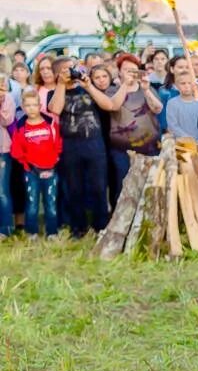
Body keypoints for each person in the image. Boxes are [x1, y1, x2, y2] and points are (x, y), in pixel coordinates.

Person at [48, 59, 115, 238]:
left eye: (74, 67)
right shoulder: (53, 93)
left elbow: (108, 105)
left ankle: (101, 226)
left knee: (98, 187)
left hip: (94, 143)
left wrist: (88, 86)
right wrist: (61, 84)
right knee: (74, 188)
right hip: (70, 145)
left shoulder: (89, 87)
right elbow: (55, 109)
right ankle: (78, 227)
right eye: (67, 69)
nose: (72, 71)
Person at [12, 88, 63, 238]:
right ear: (22, 107)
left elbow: (58, 143)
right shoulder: (21, 126)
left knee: (51, 203)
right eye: (28, 105)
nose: (31, 108)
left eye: (34, 105)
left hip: (50, 169)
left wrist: (55, 159)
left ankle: (52, 232)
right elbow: (16, 149)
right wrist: (26, 164)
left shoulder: (50, 123)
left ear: (40, 105)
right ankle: (32, 233)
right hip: (31, 171)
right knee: (32, 204)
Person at [107, 54, 163, 188]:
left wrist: (146, 90)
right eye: (126, 70)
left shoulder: (147, 88)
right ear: (119, 71)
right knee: (124, 186)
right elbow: (114, 106)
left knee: (148, 186)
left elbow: (157, 109)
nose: (130, 73)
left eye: (134, 69)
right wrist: (125, 85)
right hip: (122, 150)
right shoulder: (111, 90)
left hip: (149, 147)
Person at [164, 68, 198, 148]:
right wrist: (189, 141)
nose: (187, 86)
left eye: (189, 83)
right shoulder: (172, 104)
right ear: (176, 85)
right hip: (180, 145)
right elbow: (173, 125)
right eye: (183, 83)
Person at [0, 77, 13, 238]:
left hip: (2, 149)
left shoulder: (7, 97)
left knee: (1, 191)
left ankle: (5, 229)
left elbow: (7, 120)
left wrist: (1, 100)